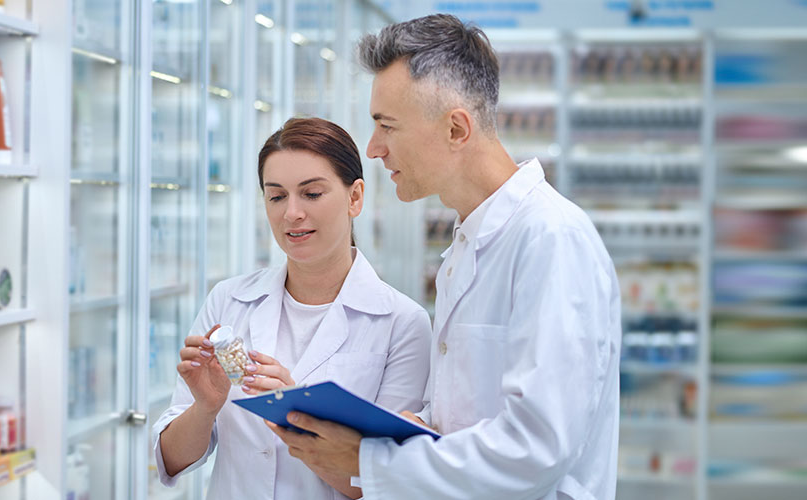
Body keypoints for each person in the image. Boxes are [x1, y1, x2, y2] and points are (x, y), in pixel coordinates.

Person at [269, 14, 622, 500]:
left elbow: (536, 449)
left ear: (457, 129)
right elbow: (465, 416)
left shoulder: (550, 239)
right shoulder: (467, 242)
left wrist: (367, 461)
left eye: (386, 126)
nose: (373, 149)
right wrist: (408, 424)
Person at [152, 117, 433, 500]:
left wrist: (296, 416)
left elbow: (387, 482)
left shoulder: (403, 323)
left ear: (355, 198)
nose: (292, 214)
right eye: (277, 196)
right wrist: (206, 406)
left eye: (312, 194)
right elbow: (172, 460)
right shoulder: (229, 300)